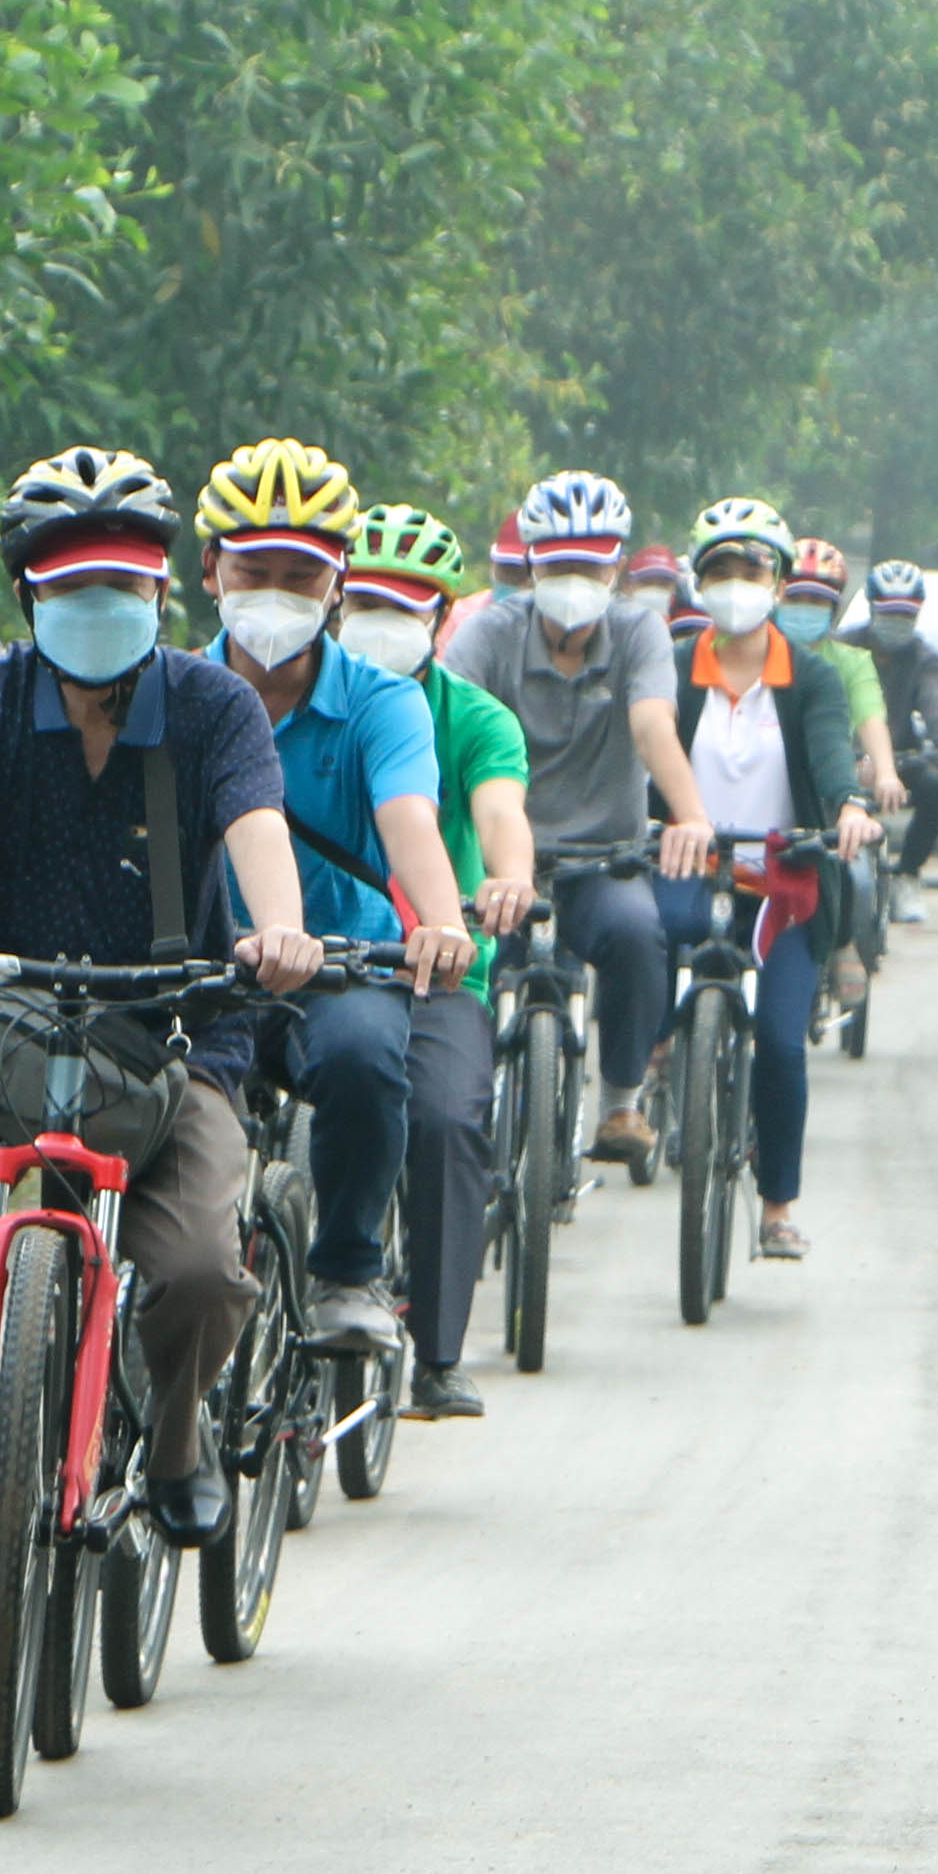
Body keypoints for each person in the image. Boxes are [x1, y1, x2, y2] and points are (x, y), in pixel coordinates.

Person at [0, 448, 322, 1564]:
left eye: (124, 585)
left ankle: (177, 1442)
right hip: (1, 1018)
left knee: (194, 1272)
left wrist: (277, 930)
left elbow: (258, 830)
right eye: (74, 584)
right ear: (28, 595)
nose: (100, 604)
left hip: (177, 1029)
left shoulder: (213, 706)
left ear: (160, 592)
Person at [200, 437, 470, 1353]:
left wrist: (440, 921)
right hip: (199, 968)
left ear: (338, 584)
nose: (275, 592)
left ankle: (348, 1270)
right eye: (254, 570)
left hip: (343, 967)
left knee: (362, 1059)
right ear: (210, 572)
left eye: (300, 574)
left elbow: (410, 822)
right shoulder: (164, 694)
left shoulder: (381, 704)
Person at [445, 469, 715, 1178]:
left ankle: (622, 1097)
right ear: (530, 563)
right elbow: (445, 729)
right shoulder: (487, 637)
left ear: (617, 566)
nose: (574, 577)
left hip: (604, 860)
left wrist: (689, 814)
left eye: (590, 563)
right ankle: (463, 1106)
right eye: (558, 562)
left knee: (637, 935)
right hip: (504, 862)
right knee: (461, 969)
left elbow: (653, 723)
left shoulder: (640, 633)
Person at [333, 506, 528, 1421]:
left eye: (403, 606)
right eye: (364, 598)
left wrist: (508, 881)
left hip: (440, 966)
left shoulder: (475, 719)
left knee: (448, 1120)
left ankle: (439, 1354)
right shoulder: (299, 695)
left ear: (442, 618)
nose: (380, 619)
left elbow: (498, 813)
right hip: (317, 959)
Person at [666, 499, 876, 1263]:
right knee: (642, 941)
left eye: (750, 568)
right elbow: (643, 756)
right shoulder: (672, 667)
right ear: (698, 581)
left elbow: (827, 748)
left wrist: (848, 804)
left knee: (784, 1047)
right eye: (719, 568)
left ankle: (777, 1205)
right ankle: (658, 1067)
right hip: (683, 869)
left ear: (780, 581)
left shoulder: (813, 678)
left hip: (784, 887)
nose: (735, 583)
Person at [784, 539, 900, 1007]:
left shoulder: (851, 664)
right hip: (763, 791)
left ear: (833, 611)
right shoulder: (748, 652)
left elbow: (870, 717)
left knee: (856, 874)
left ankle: (843, 944)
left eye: (817, 601)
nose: (805, 608)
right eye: (796, 597)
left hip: (830, 794)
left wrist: (886, 772)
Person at [849, 557, 938, 919]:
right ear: (871, 609)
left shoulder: (923, 657)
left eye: (905, 615)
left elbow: (934, 702)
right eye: (889, 614)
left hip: (900, 757)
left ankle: (908, 875)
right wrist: (851, 759)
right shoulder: (845, 648)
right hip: (846, 756)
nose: (896, 624)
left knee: (937, 788)